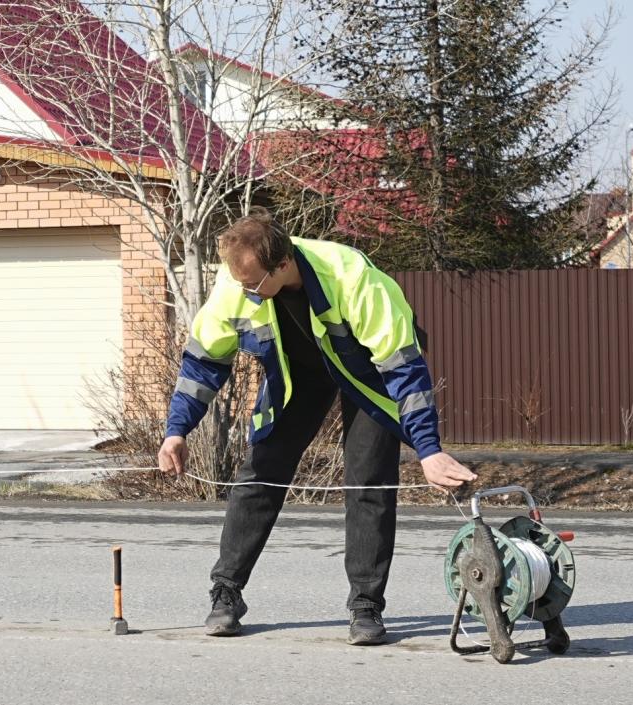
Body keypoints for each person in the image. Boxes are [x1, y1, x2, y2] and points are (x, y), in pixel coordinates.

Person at [157, 207, 477, 645]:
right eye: (240, 283)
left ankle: (366, 606)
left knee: (368, 480)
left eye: (254, 284)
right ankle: (226, 592)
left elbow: (404, 369)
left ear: (283, 264)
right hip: (300, 376)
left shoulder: (351, 277)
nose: (246, 292)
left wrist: (428, 449)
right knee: (261, 470)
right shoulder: (235, 284)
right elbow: (203, 362)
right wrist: (177, 430)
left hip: (370, 374)